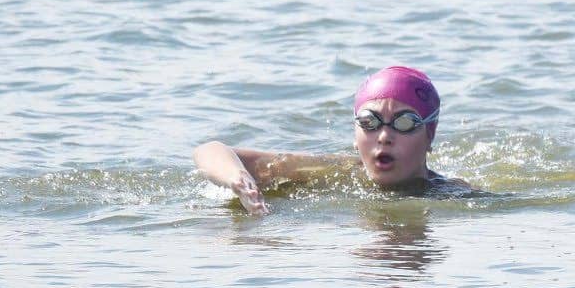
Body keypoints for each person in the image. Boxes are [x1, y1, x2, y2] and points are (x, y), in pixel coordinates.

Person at [193, 66, 472, 215]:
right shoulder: (332, 172)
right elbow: (210, 150)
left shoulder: (454, 196)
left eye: (405, 123)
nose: (384, 136)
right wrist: (238, 179)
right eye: (369, 123)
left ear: (430, 135)